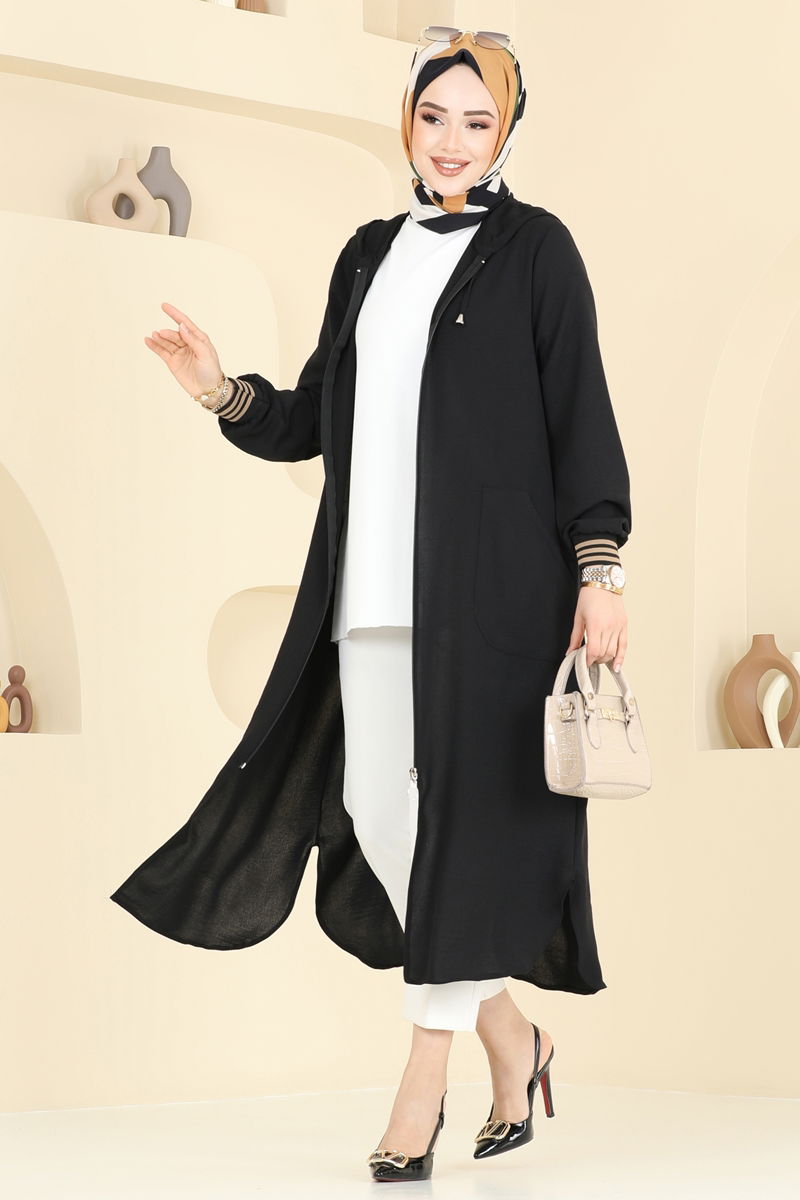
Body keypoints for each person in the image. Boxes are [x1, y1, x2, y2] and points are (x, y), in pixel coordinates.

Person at [136, 27, 630, 1184]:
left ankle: (422, 1082)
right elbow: (314, 416)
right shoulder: (368, 255)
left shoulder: (536, 251)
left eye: (477, 121)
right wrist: (218, 389)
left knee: (459, 827)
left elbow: (580, 416)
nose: (452, 140)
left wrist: (599, 569)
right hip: (367, 590)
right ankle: (513, 1039)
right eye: (432, 116)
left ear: (505, 130)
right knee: (373, 808)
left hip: (495, 597)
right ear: (404, 121)